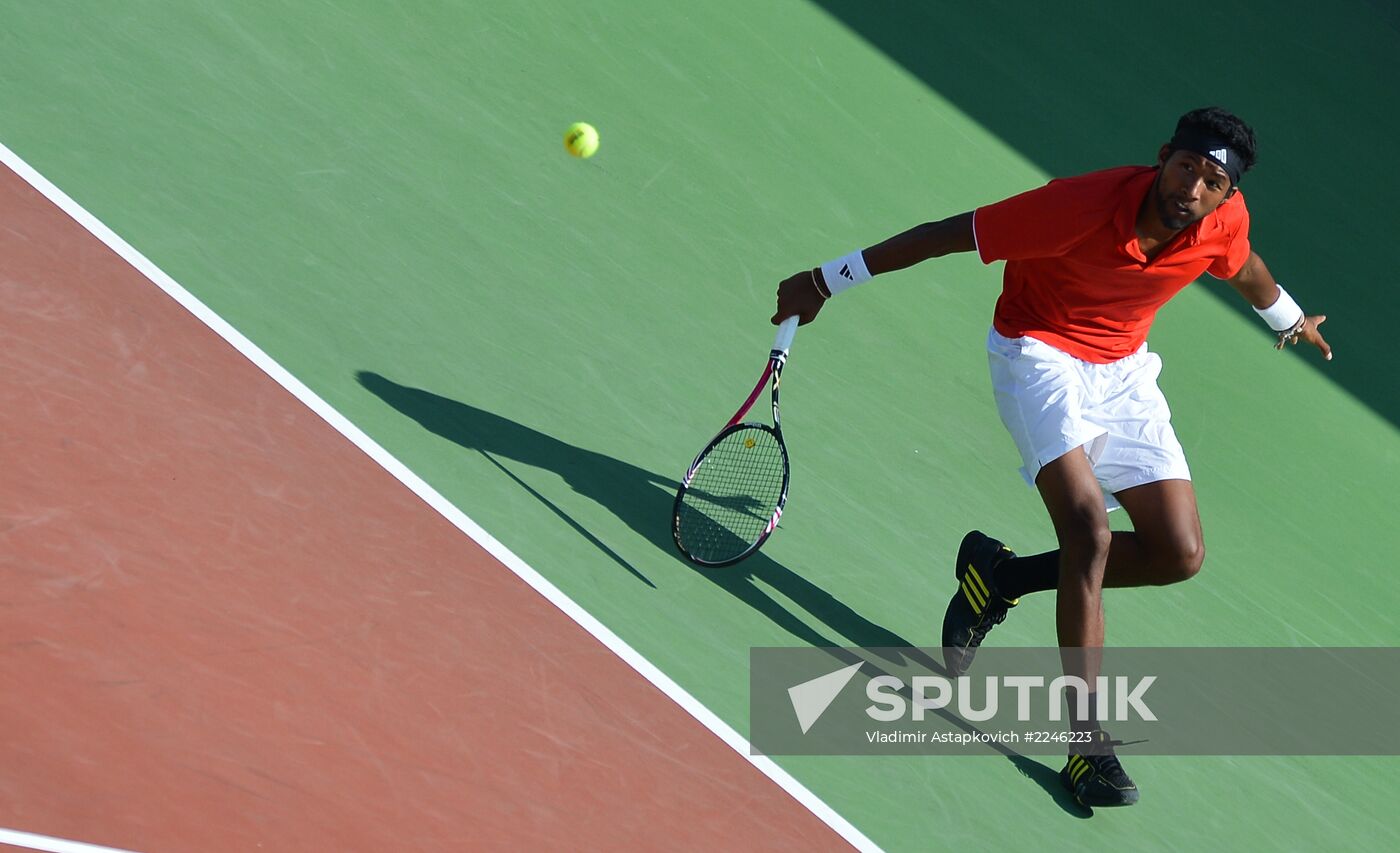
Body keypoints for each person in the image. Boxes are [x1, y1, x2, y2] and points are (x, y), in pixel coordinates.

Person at [770, 107, 1331, 808]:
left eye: (1212, 180)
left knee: (1179, 551)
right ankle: (1085, 746)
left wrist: (1289, 319)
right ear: (1164, 157)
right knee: (1088, 532)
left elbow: (1243, 266)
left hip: (1122, 370)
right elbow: (951, 235)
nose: (1193, 186)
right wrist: (825, 281)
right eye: (1186, 166)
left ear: (1225, 195)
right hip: (1038, 355)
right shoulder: (1079, 205)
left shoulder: (1222, 223)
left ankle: (999, 575)